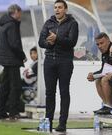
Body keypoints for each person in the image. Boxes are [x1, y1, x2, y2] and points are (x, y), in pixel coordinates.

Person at [38, 0, 78, 132]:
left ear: (65, 9)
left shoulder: (73, 23)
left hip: (65, 61)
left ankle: (62, 123)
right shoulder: (48, 23)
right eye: (55, 7)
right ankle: (48, 122)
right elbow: (41, 42)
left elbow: (72, 42)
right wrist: (49, 43)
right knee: (50, 93)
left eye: (60, 7)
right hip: (49, 61)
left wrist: (57, 39)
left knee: (64, 92)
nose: (57, 10)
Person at [0, 4, 27, 120]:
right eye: (20, 12)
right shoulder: (12, 25)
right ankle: (13, 113)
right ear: (15, 12)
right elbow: (14, 44)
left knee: (5, 86)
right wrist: (22, 55)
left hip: (5, 60)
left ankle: (1, 112)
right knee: (16, 87)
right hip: (12, 60)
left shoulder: (4, 24)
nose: (21, 15)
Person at [87, 32, 112, 114]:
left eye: (101, 43)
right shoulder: (104, 53)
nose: (100, 46)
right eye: (97, 44)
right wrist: (93, 75)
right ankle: (105, 104)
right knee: (97, 80)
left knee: (104, 79)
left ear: (108, 41)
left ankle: (110, 106)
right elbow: (104, 69)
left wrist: (111, 54)